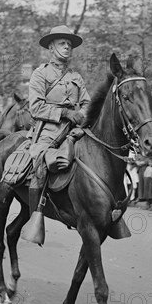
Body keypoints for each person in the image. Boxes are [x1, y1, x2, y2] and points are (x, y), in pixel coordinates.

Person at [27, 25, 91, 215]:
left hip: (75, 128)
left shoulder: (75, 76)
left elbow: (87, 103)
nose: (67, 47)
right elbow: (36, 107)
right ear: (51, 48)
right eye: (62, 43)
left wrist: (83, 115)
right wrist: (65, 113)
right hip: (49, 130)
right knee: (40, 164)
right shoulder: (41, 74)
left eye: (69, 44)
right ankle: (35, 215)